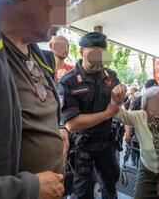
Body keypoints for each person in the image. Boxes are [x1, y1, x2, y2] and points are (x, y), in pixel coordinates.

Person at [0, 0, 73, 198]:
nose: (65, 17)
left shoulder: (38, 54)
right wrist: (26, 190)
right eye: (63, 1)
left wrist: (58, 128)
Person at [58, 32, 121, 199]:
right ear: (81, 52)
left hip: (106, 144)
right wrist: (108, 113)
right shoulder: (68, 81)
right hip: (82, 146)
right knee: (82, 193)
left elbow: (117, 103)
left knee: (110, 188)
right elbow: (72, 124)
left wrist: (121, 96)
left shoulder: (111, 76)